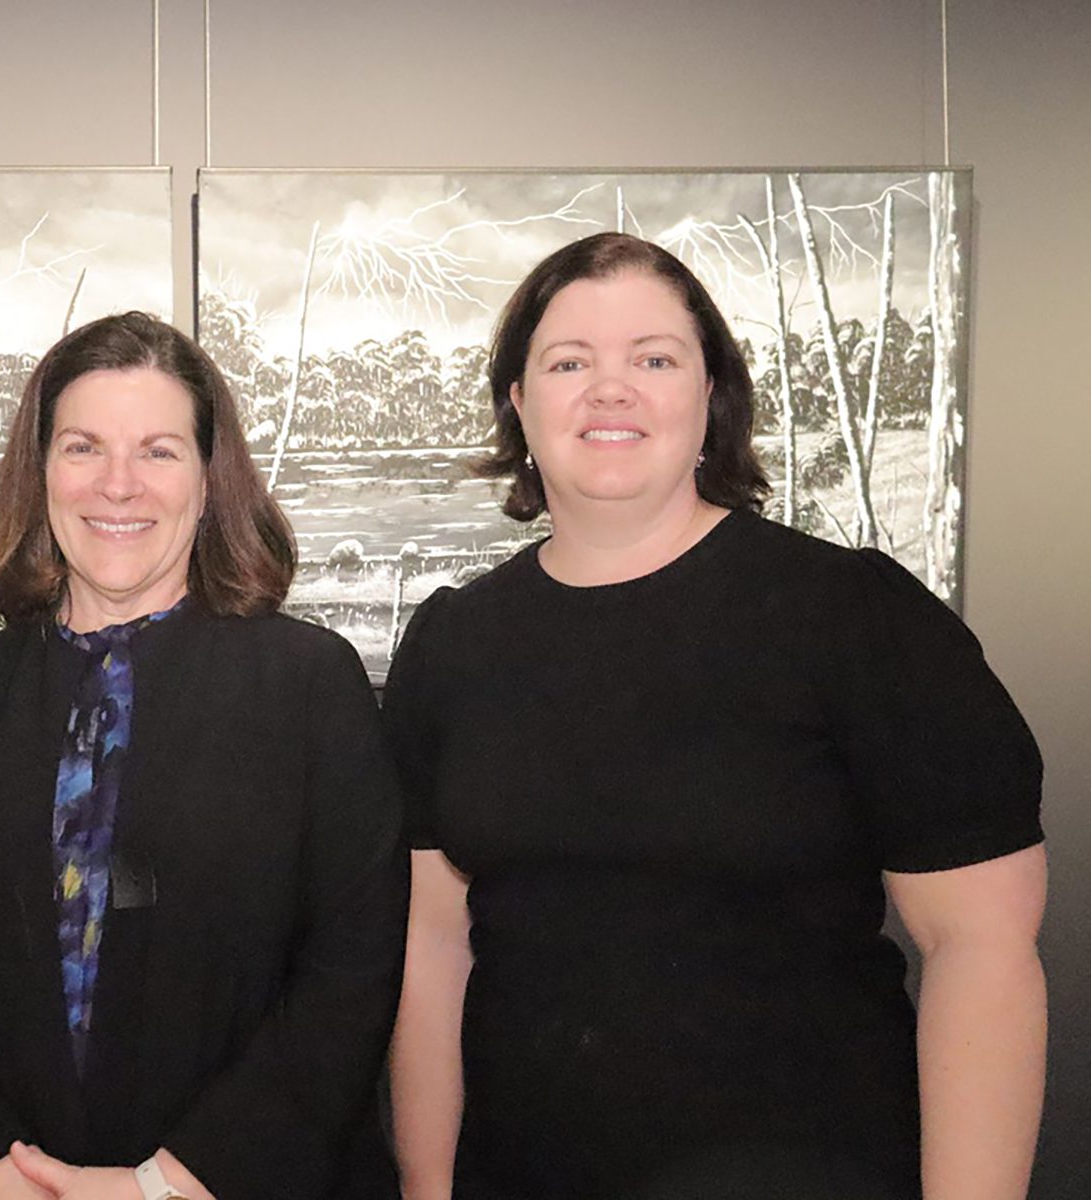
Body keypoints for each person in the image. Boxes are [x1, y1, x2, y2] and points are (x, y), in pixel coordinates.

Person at [384, 231, 1047, 1199]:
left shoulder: (850, 615)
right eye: (569, 363)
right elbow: (433, 948)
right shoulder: (453, 643)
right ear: (520, 403)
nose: (611, 390)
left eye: (654, 360)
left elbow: (981, 950)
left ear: (712, 397)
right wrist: (428, 1187)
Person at [0, 312, 407, 1200]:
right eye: (83, 448)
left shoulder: (312, 686)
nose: (118, 485)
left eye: (157, 451)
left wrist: (170, 1185)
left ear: (207, 480)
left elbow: (351, 973)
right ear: (39, 473)